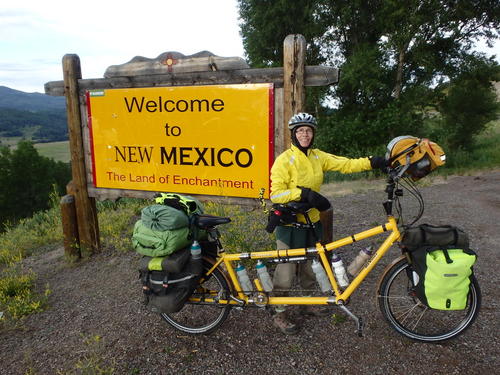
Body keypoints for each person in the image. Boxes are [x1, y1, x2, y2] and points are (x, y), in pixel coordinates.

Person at [269, 112, 386, 334]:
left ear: (313, 134)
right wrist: (304, 194)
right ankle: (279, 312)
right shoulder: (284, 160)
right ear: (294, 134)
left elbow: (346, 165)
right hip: (289, 225)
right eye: (300, 131)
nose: (305, 134)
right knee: (285, 272)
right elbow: (276, 195)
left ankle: (308, 303)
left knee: (311, 268)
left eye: (308, 131)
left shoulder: (317, 156)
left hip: (312, 223)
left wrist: (375, 162)